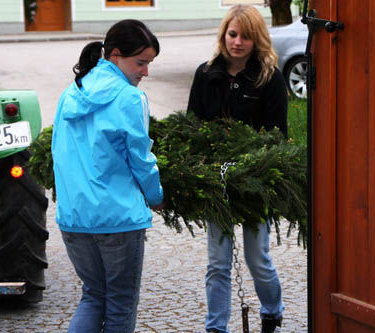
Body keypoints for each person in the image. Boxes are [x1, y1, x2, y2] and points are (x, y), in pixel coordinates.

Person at [52, 19, 164, 333]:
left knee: (93, 296)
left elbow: (58, 153)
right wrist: (155, 197)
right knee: (120, 303)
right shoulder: (130, 98)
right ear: (115, 54)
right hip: (118, 219)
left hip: (74, 218)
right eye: (141, 63)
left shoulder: (69, 94)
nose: (146, 72)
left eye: (149, 64)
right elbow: (141, 159)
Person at [187, 5, 287, 333]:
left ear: (256, 39)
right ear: (223, 35)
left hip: (255, 183)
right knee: (217, 264)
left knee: (257, 259)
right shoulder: (205, 75)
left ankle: (272, 310)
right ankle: (216, 327)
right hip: (217, 183)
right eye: (232, 34)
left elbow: (277, 136)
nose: (238, 42)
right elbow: (192, 127)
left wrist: (253, 166)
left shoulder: (269, 78)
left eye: (245, 36)